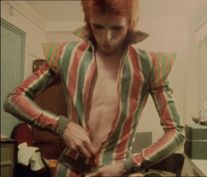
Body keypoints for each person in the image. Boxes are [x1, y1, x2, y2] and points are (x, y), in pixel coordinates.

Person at [4, 0, 185, 176]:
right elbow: (14, 99)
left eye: (117, 28)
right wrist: (62, 126)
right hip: (68, 170)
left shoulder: (151, 65)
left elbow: (176, 132)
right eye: (98, 26)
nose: (107, 38)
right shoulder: (66, 54)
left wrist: (129, 165)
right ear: (88, 22)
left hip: (117, 172)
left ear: (130, 24)